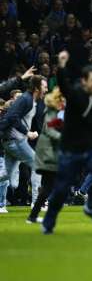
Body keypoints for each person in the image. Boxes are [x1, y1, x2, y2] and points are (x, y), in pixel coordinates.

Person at [42, 51, 92, 234]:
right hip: (70, 151)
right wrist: (61, 66)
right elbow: (63, 85)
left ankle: (90, 206)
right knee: (61, 190)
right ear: (84, 81)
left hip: (91, 149)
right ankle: (48, 222)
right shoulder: (75, 94)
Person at [0, 75, 48, 213]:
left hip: (11, 141)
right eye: (44, 86)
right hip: (16, 140)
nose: (46, 88)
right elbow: (12, 117)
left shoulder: (32, 100)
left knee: (5, 175)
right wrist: (27, 132)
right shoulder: (25, 99)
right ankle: (37, 203)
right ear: (37, 87)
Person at [27, 88, 65, 223]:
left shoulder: (58, 112)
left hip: (51, 151)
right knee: (51, 184)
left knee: (49, 185)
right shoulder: (52, 112)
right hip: (48, 152)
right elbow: (50, 130)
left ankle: (33, 216)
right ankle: (37, 215)